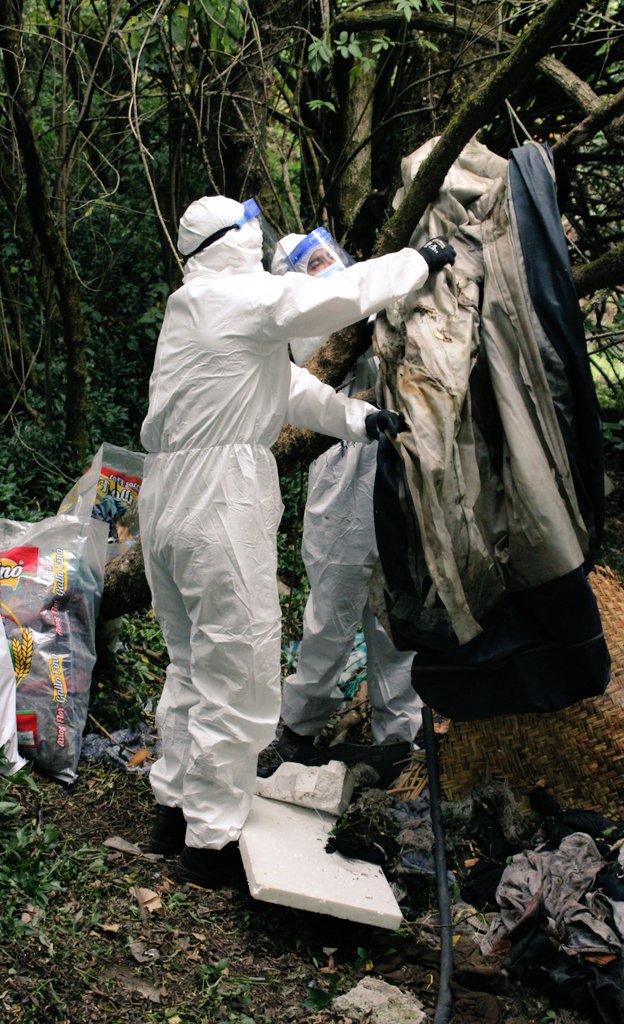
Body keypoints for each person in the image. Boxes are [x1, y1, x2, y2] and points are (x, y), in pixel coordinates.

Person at [138, 194, 455, 889]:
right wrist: (417, 263)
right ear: (233, 239)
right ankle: (211, 842)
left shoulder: (195, 309)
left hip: (164, 494)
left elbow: (283, 387)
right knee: (239, 666)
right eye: (250, 225)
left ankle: (173, 809)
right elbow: (336, 295)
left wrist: (357, 418)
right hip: (217, 493)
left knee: (191, 663)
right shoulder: (241, 295)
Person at [266, 229, 424, 783]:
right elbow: (325, 353)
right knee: (331, 613)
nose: (323, 269)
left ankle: (397, 736)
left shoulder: (376, 306)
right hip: (339, 475)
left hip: (396, 469)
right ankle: (300, 727)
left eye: (325, 258)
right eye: (309, 265)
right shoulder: (304, 327)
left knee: (393, 615)